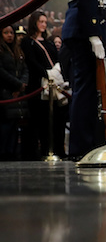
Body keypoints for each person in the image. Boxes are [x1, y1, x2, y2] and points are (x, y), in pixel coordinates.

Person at [62, 0, 106, 159]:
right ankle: (82, 147)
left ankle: (83, 145)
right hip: (82, 29)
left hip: (76, 28)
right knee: (85, 90)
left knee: (84, 88)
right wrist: (93, 34)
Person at [21, 11, 68, 159]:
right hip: (38, 85)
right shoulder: (28, 42)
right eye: (40, 21)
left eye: (45, 22)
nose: (43, 24)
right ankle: (37, 152)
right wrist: (46, 74)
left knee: (55, 120)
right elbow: (31, 61)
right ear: (34, 22)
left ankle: (57, 149)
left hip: (54, 84)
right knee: (38, 121)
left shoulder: (48, 43)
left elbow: (55, 59)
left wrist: (56, 73)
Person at [0, 25, 28, 160]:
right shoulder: (1, 51)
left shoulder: (18, 51)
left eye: (11, 32)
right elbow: (1, 72)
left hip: (17, 93)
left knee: (14, 126)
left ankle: (12, 154)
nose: (10, 35)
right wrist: (17, 84)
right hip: (5, 92)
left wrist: (22, 84)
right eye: (6, 33)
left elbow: (25, 70)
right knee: (5, 126)